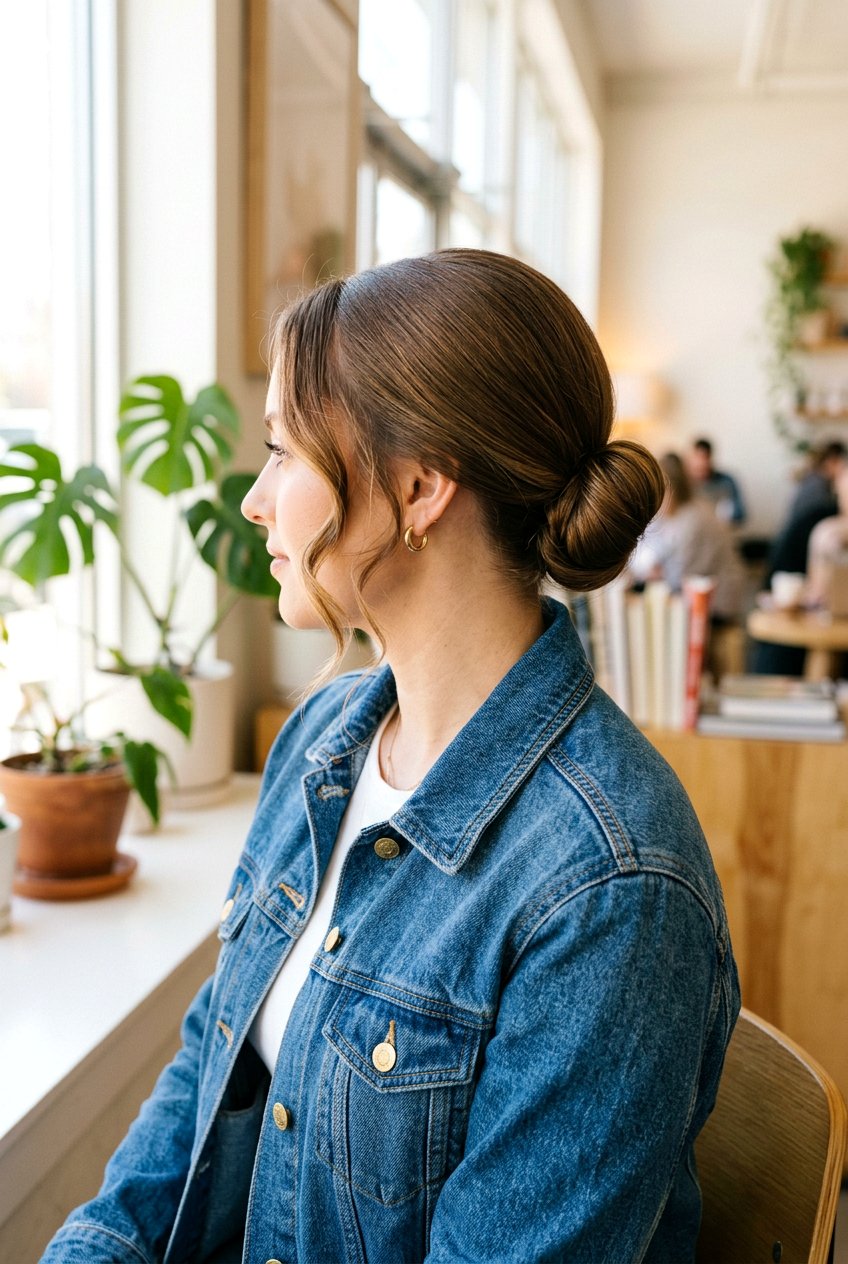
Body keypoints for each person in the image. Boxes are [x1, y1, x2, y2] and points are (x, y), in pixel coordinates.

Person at [41, 250, 739, 1264]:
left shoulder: (609, 888)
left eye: (284, 452)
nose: (254, 499)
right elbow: (208, 1068)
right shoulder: (319, 747)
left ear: (415, 488)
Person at [630, 452, 745, 622]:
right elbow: (655, 546)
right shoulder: (679, 514)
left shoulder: (693, 520)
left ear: (671, 490)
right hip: (698, 590)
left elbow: (679, 577)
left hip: (718, 603)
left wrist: (655, 572)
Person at [686, 436, 746, 525]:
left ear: (711, 459)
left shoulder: (727, 481)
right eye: (698, 458)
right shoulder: (685, 485)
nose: (701, 463)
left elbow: (740, 514)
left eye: (705, 458)